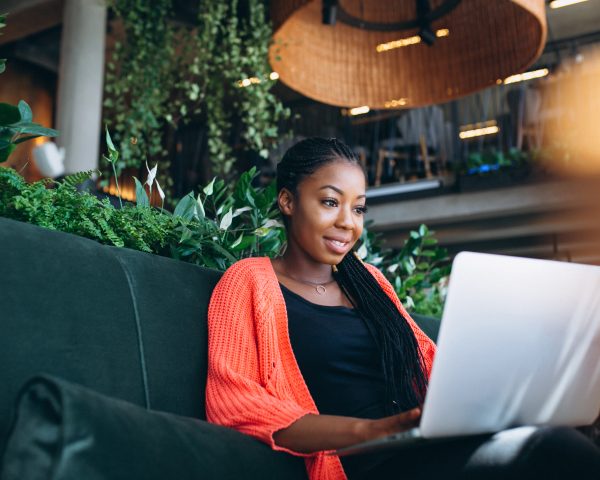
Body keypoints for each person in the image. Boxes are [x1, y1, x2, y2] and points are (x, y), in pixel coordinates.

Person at [205, 137, 600, 480]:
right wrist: (373, 431)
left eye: (358, 208)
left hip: (419, 447)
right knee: (551, 451)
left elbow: (432, 364)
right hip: (365, 464)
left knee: (560, 441)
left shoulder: (370, 283)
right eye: (329, 202)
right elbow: (236, 406)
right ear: (288, 201)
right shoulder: (249, 281)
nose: (347, 223)